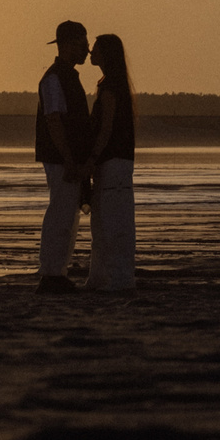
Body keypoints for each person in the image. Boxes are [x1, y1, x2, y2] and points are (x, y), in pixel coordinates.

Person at [35, 21, 93, 293]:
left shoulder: (65, 76)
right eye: (82, 44)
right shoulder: (55, 78)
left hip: (67, 158)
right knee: (61, 213)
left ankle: (57, 271)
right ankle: (51, 273)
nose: (87, 50)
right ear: (68, 45)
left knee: (68, 215)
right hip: (61, 159)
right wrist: (68, 159)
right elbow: (54, 120)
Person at [85, 31, 137, 292]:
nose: (90, 52)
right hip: (118, 162)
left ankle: (116, 279)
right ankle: (102, 278)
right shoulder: (114, 84)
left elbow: (105, 129)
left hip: (112, 162)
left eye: (95, 49)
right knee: (109, 221)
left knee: (111, 222)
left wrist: (93, 158)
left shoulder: (110, 87)